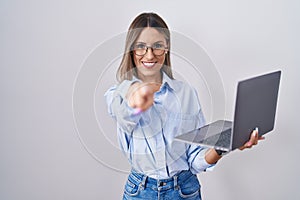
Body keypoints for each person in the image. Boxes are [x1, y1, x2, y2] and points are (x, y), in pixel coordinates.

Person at [105, 12, 264, 200]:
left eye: (157, 46)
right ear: (131, 50)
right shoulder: (117, 94)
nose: (150, 54)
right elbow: (125, 116)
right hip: (140, 192)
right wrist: (136, 99)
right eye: (141, 46)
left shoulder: (186, 93)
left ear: (166, 48)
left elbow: (194, 160)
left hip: (184, 191)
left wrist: (223, 146)